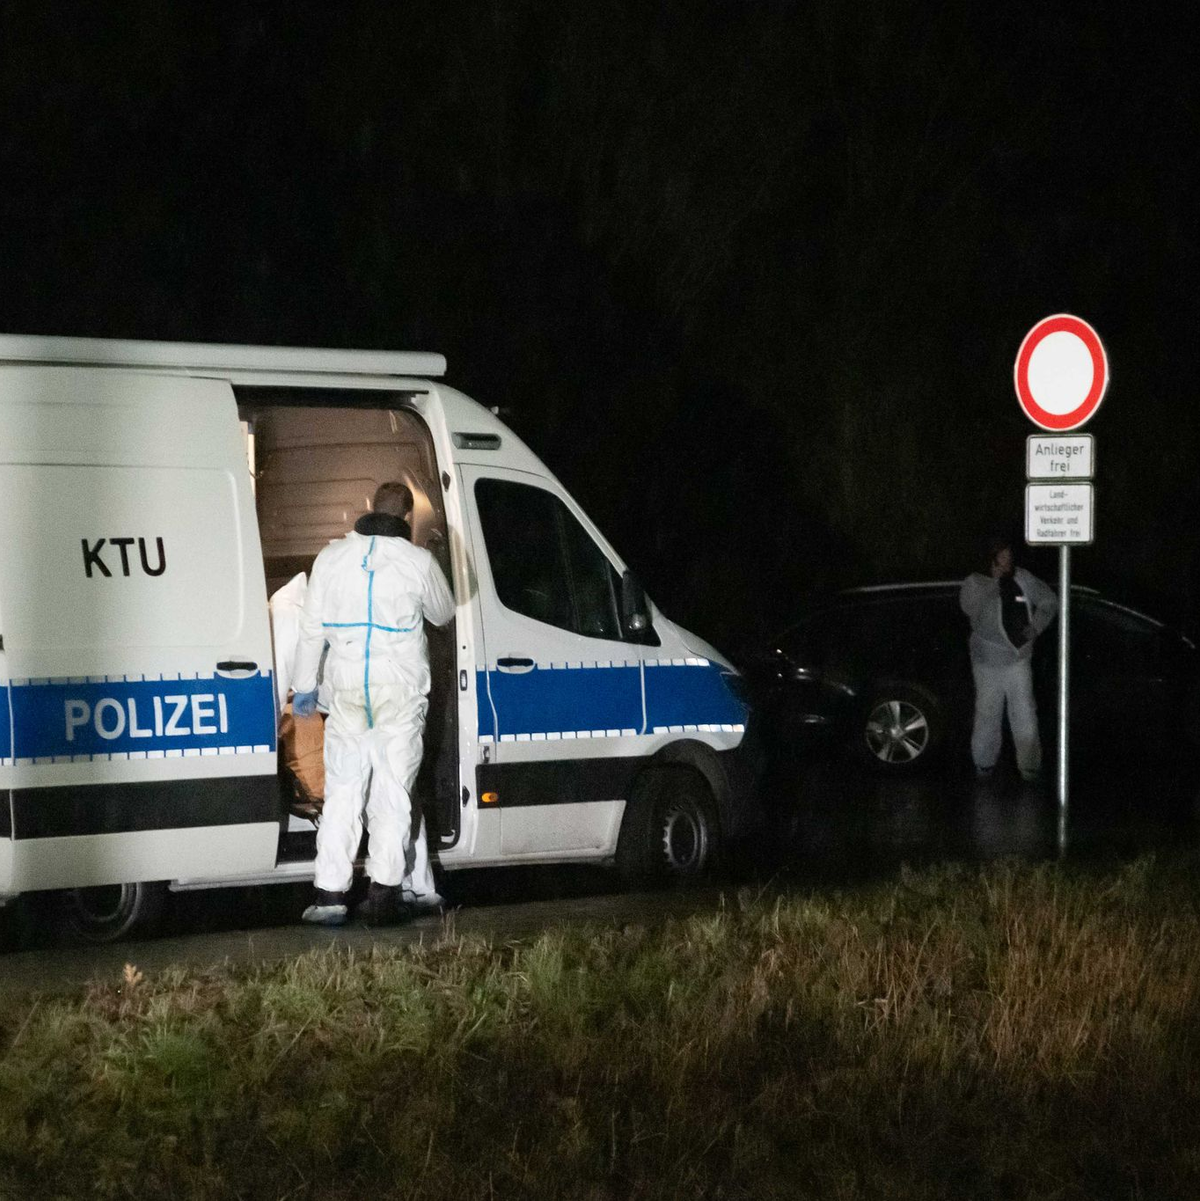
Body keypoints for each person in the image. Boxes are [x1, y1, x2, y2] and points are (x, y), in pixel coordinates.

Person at [292, 481, 456, 926]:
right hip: (398, 694)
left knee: (343, 793)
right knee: (392, 793)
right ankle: (383, 896)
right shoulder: (417, 560)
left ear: (368, 508)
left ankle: (328, 896)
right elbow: (443, 613)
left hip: (346, 692)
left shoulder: (331, 557)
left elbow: (310, 629)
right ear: (406, 517)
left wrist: (303, 685)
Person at [959, 537, 1058, 781]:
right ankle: (984, 763)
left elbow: (1049, 601)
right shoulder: (975, 582)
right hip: (987, 662)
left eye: (1009, 557)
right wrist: (994, 584)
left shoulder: (1023, 578)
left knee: (1025, 712)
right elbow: (969, 608)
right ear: (990, 560)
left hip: (1018, 659)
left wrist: (1035, 627)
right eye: (1000, 558)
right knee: (987, 713)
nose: (1006, 562)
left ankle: (1030, 766)